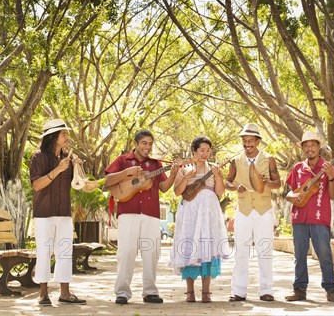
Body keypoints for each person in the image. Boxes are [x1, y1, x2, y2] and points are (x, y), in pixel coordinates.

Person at [104, 129, 179, 305]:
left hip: (151, 213)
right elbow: (108, 181)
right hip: (128, 211)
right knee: (126, 251)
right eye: (144, 143)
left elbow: (164, 187)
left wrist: (174, 174)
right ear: (136, 144)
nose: (147, 147)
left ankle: (150, 291)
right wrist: (127, 173)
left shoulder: (156, 163)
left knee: (151, 252)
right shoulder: (123, 160)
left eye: (150, 143)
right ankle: (122, 292)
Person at [29, 118, 86, 305]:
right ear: (53, 136)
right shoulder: (38, 157)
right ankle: (43, 293)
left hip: (63, 213)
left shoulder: (67, 159)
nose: (67, 137)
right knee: (44, 251)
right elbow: (37, 185)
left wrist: (77, 167)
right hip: (43, 213)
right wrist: (58, 169)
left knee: (64, 252)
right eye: (64, 134)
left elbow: (77, 185)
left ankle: (65, 293)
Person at [225, 123, 281, 302]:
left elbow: (277, 183)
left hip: (264, 210)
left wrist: (267, 182)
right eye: (244, 140)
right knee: (241, 251)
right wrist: (235, 187)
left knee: (265, 250)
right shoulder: (235, 161)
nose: (247, 143)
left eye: (251, 140)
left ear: (257, 141)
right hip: (243, 210)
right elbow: (227, 182)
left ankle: (266, 290)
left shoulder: (269, 159)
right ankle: (238, 291)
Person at [284, 131, 334, 302]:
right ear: (303, 148)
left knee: (324, 254)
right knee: (299, 255)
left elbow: (332, 196)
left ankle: (331, 289)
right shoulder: (297, 168)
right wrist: (292, 197)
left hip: (319, 218)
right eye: (306, 145)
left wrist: (331, 177)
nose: (309, 148)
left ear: (319, 147)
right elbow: (290, 192)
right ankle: (299, 289)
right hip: (299, 217)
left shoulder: (328, 167)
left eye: (313, 145)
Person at [170, 136, 229, 303]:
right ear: (194, 151)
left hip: (209, 211)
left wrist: (218, 176)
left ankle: (206, 292)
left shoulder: (214, 168)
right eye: (202, 150)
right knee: (190, 244)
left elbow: (220, 192)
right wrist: (187, 176)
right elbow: (177, 191)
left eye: (208, 150)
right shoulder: (185, 168)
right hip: (190, 211)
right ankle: (189, 292)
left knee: (207, 247)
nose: (205, 154)